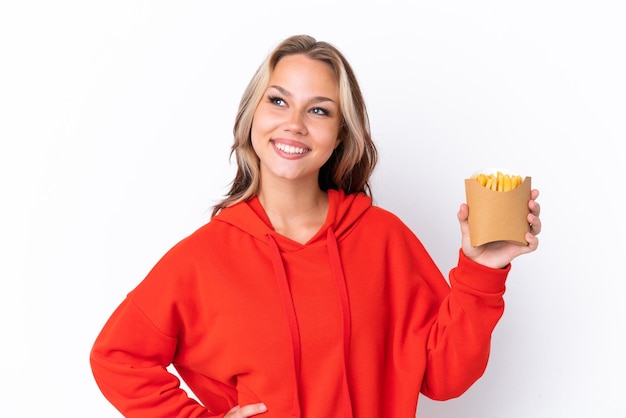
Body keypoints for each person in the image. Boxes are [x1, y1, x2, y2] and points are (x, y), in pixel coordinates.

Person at [90, 34, 542, 418]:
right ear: (253, 117)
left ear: (342, 133)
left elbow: (443, 378)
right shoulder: (203, 258)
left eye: (319, 110)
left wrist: (482, 270)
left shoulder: (383, 238)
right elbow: (117, 356)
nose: (294, 124)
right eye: (279, 101)